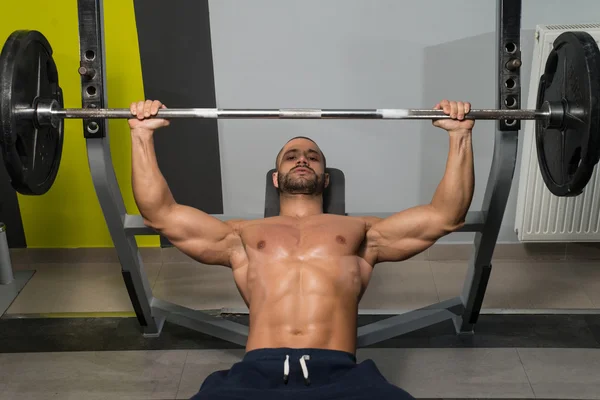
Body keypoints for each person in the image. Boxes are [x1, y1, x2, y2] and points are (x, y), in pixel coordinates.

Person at [128, 99, 474, 400]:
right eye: (291, 156)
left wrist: (459, 135)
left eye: (313, 157)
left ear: (325, 179)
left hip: (341, 374)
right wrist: (141, 134)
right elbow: (161, 214)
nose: (302, 160)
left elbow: (445, 215)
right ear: (276, 178)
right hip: (255, 374)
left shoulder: (362, 232)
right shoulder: (242, 236)